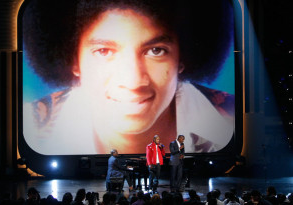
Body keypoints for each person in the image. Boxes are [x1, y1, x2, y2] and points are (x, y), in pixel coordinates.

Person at [23, 0, 235, 155]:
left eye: (156, 51)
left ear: (183, 57)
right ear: (73, 59)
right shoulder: (31, 129)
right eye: (104, 51)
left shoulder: (236, 122)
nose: (133, 81)